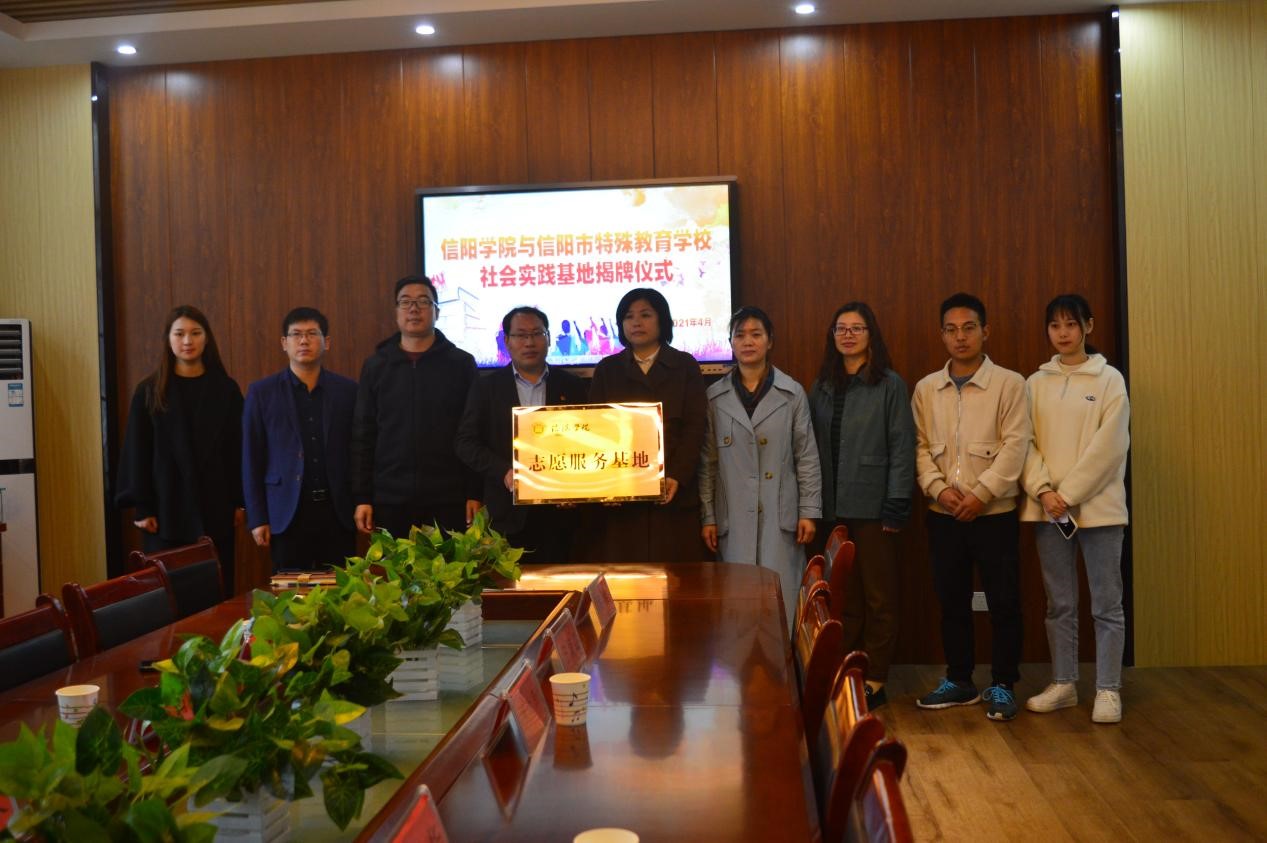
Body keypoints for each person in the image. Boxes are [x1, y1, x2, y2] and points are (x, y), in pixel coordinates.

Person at [912, 292, 1031, 721]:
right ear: (941, 335)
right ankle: (959, 680)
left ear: (985, 331)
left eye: (968, 328)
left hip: (994, 514)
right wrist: (938, 490)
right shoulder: (927, 388)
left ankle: (1003, 684)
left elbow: (1016, 446)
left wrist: (981, 495)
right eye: (951, 329)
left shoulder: (1010, 384)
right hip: (943, 514)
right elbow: (920, 447)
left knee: (1004, 602)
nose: (960, 337)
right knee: (952, 601)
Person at [1020, 294, 1130, 724]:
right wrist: (1044, 491)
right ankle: (1063, 683)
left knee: (1107, 605)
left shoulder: (1109, 380)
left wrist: (1068, 493)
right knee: (1059, 603)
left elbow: (1111, 446)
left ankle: (1108, 689)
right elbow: (1023, 443)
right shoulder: (1035, 383)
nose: (1063, 333)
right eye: (1055, 325)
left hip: (1099, 510)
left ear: (1089, 326)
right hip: (1048, 511)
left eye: (1071, 324)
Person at [808, 302, 915, 709]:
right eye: (841, 328)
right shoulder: (822, 385)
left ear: (872, 335)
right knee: (843, 597)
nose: (848, 335)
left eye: (857, 328)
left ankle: (876, 676)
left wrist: (897, 502)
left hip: (874, 506)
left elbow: (902, 446)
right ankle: (846, 670)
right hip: (831, 506)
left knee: (879, 597)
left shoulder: (889, 384)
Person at [699, 306, 821, 631]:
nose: (748, 341)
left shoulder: (792, 393)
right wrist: (708, 516)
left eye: (756, 334)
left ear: (770, 341)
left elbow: (806, 455)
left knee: (781, 608)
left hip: (781, 518)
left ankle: (783, 664)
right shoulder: (714, 397)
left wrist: (809, 511)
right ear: (730, 342)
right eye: (740, 335)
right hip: (733, 520)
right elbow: (708, 463)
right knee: (737, 612)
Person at [116, 305, 244, 591]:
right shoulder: (149, 390)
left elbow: (237, 450)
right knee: (169, 595)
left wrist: (239, 501)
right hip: (164, 511)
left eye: (195, 333)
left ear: (207, 338)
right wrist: (142, 507)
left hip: (215, 507)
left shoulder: (226, 389)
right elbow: (137, 451)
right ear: (168, 339)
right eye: (179, 334)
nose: (188, 341)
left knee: (216, 591)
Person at [584, 287, 709, 562]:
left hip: (674, 494)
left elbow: (695, 427)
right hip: (623, 499)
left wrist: (676, 475)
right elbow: (596, 430)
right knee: (628, 578)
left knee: (676, 577)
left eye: (645, 315)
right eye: (628, 317)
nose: (636, 323)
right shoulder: (607, 369)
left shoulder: (685, 365)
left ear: (662, 319)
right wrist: (606, 484)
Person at [351, 276, 480, 539]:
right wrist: (363, 497)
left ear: (437, 312)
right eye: (406, 302)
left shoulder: (461, 364)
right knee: (394, 566)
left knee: (451, 566)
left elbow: (474, 430)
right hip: (390, 497)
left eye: (423, 301)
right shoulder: (376, 366)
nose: (414, 309)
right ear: (396, 312)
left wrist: (474, 491)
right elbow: (364, 433)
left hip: (449, 497)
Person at [455, 306, 587, 560]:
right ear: (507, 341)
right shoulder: (486, 387)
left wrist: (577, 486)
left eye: (537, 333)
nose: (529, 342)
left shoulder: (571, 385)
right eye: (520, 335)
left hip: (561, 513)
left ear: (549, 338)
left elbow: (586, 441)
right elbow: (465, 443)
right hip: (506, 513)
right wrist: (504, 470)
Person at [242, 307, 358, 571]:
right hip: (286, 512)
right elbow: (251, 458)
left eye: (312, 334)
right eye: (296, 334)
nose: (304, 341)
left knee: (343, 589)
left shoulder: (348, 391)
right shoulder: (262, 393)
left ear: (327, 342)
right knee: (290, 589)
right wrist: (257, 517)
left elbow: (358, 451)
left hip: (337, 511)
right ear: (284, 343)